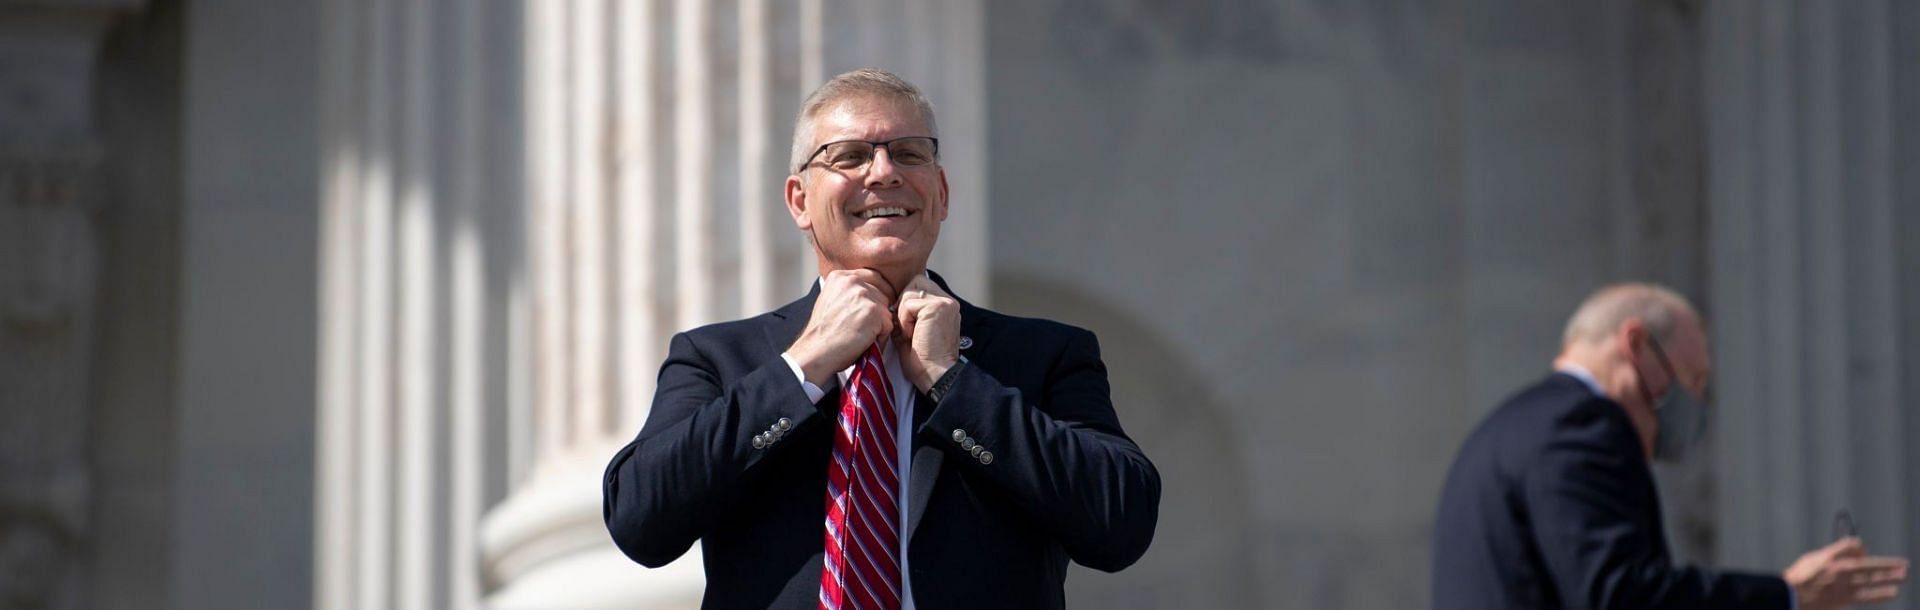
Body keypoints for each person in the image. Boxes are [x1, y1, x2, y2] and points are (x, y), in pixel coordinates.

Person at [602, 68, 1161, 609]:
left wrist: (953, 384)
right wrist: (804, 366)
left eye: (910, 154)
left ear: (940, 194)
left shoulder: (1041, 356)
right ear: (799, 200)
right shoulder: (719, 359)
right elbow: (641, 518)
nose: (884, 172)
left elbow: (1120, 522)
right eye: (849, 156)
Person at [1432, 283, 1909, 609]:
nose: (1695, 403)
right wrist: (1788, 594)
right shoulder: (1579, 426)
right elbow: (1619, 595)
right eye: (1692, 379)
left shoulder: (1505, 429)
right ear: (1636, 345)